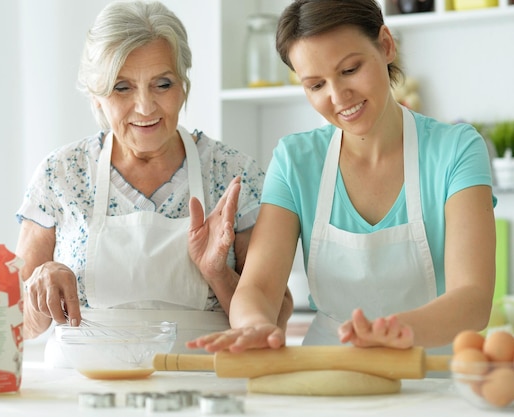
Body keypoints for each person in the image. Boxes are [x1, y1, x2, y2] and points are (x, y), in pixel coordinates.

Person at [188, 0, 496, 355]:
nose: (338, 96)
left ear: (385, 45)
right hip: (329, 373)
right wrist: (255, 324)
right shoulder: (294, 161)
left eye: (350, 70)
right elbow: (258, 287)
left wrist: (390, 332)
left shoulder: (455, 149)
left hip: (433, 376)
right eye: (316, 85)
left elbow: (472, 299)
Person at [14, 0, 293, 363]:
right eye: (122, 88)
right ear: (97, 98)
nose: (145, 107)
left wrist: (217, 272)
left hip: (202, 382)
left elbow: (278, 318)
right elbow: (20, 325)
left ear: (184, 86)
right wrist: (41, 284)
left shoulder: (233, 174)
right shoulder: (60, 174)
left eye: (162, 84)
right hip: (80, 387)